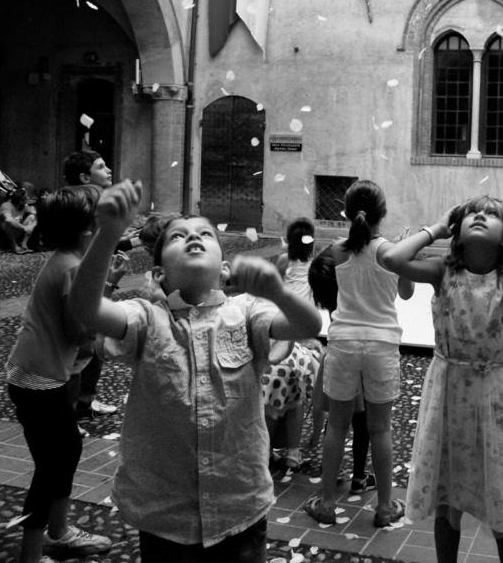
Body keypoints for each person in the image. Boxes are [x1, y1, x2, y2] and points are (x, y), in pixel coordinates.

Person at [67, 179, 322, 562]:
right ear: (159, 273)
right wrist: (108, 234)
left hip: (239, 506)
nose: (193, 238)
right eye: (177, 237)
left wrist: (279, 293)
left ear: (223, 269)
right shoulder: (146, 317)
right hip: (165, 512)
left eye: (204, 232)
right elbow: (86, 309)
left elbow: (308, 327)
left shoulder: (247, 311)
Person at [380, 195, 503, 563]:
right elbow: (391, 259)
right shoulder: (442, 273)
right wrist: (436, 227)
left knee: (502, 502)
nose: (480, 215)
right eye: (471, 215)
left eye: (492, 215)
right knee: (448, 502)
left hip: (497, 398)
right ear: (457, 232)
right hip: (449, 396)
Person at [5, 185, 113, 562]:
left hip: (37, 375)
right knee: (52, 466)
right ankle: (33, 553)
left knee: (66, 451)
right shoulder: (72, 269)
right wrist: (107, 329)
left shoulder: (67, 259)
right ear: (88, 230)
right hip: (40, 379)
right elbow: (78, 331)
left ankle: (59, 530)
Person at [304, 180, 415, 527]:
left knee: (336, 425)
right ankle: (384, 507)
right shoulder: (392, 252)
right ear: (383, 213)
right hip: (381, 344)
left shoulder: (334, 251)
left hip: (343, 342)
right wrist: (403, 250)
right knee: (381, 428)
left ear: (348, 212)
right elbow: (408, 293)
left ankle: (326, 504)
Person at [305, 244, 374, 490]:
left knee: (335, 422)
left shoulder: (334, 298)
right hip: (361, 360)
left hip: (336, 355)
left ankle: (330, 473)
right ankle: (359, 477)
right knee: (362, 422)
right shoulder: (356, 297)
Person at [63, 150, 123, 419]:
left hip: (95, 277)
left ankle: (85, 402)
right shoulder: (81, 207)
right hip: (85, 281)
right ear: (85, 177)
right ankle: (71, 411)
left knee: (93, 345)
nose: (109, 170)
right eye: (101, 166)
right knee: (80, 348)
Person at [263, 217, 320, 470]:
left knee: (272, 402)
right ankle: (294, 452)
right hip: (304, 339)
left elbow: (271, 292)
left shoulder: (284, 260)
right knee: (297, 400)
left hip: (282, 337)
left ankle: (265, 450)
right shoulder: (315, 263)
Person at [0, 186, 37, 253]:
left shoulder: (24, 207)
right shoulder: (6, 205)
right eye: (26, 198)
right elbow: (8, 219)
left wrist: (30, 227)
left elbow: (36, 215)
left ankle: (24, 244)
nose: (28, 198)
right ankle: (14, 246)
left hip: (13, 235)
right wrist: (24, 228)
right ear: (21, 201)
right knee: (7, 223)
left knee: (32, 217)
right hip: (0, 237)